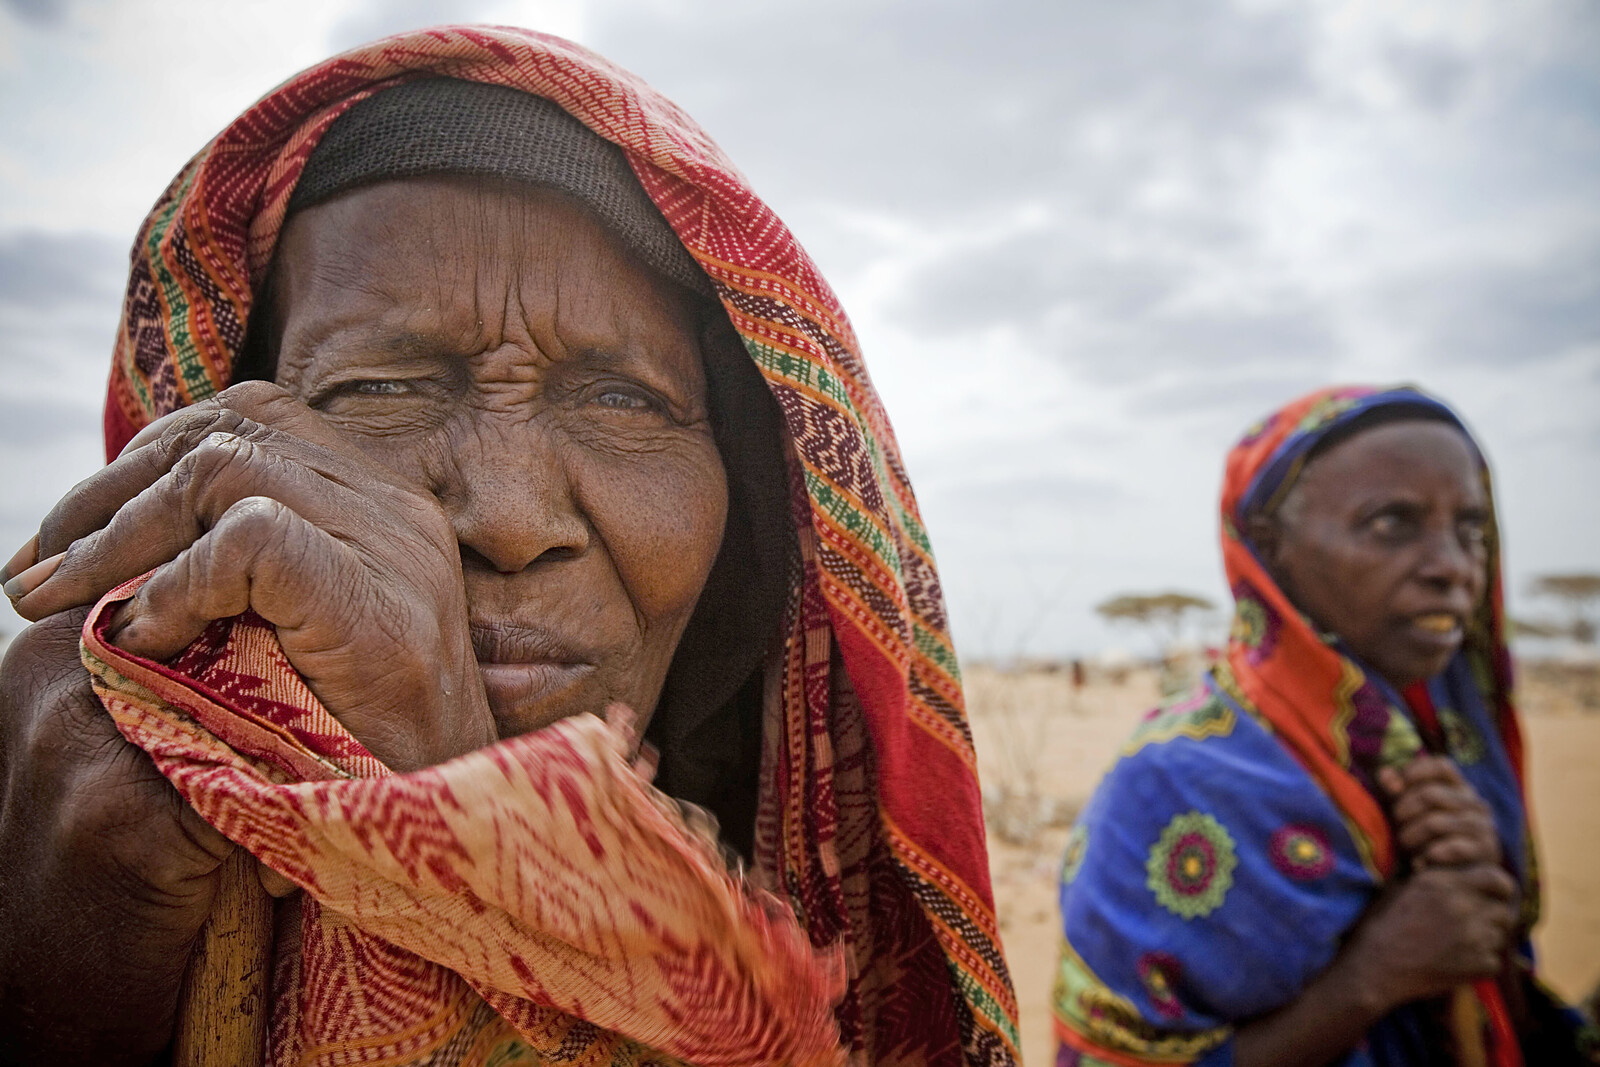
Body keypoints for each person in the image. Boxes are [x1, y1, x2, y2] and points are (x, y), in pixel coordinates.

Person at [0, 26, 1018, 1065]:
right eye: (378, 390)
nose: (513, 518)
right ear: (218, 448)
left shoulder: (810, 936)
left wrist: (455, 827)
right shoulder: (79, 824)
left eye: (624, 397)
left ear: (754, 496)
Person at [1052, 386, 1597, 1066]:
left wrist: (1473, 871)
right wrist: (1373, 976)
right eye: (1392, 522)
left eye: (1472, 530)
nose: (1453, 567)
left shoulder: (1450, 754)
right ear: (1271, 549)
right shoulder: (1171, 781)